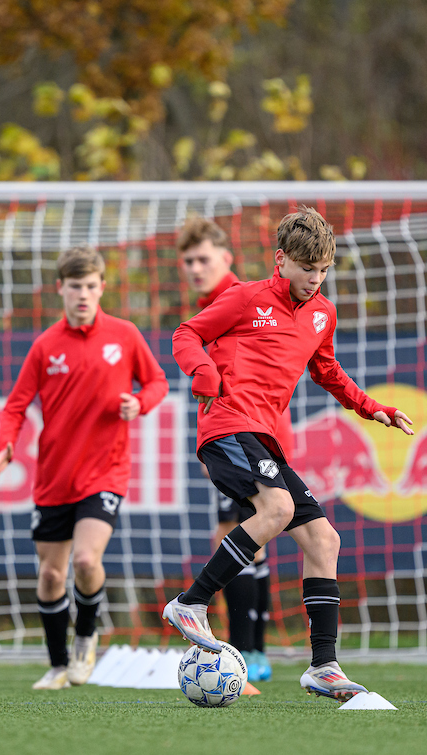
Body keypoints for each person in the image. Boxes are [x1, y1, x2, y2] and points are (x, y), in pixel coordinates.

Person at [163, 206, 415, 701]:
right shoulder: (245, 297)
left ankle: (323, 666)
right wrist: (202, 371)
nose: (315, 280)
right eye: (307, 269)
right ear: (281, 259)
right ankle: (190, 604)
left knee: (325, 542)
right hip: (228, 426)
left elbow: (327, 371)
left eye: (323, 271)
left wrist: (372, 409)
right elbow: (186, 333)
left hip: (266, 439)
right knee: (275, 509)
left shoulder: (323, 313)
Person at [0, 245, 169, 690]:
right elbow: (15, 406)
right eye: (75, 287)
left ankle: (86, 639)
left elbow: (157, 381)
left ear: (102, 287)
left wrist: (139, 402)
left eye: (91, 286)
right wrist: (4, 445)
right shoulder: (45, 346)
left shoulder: (124, 335)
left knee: (87, 560)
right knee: (51, 574)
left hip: (105, 472)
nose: (84, 295)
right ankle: (57, 666)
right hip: (54, 477)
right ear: (61, 290)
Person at [177, 216, 292, 682]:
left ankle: (246, 651)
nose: (194, 267)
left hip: (251, 435)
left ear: (227, 257)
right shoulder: (214, 303)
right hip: (239, 434)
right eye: (187, 261)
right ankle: (254, 652)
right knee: (250, 535)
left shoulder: (239, 297)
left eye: (203, 258)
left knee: (243, 529)